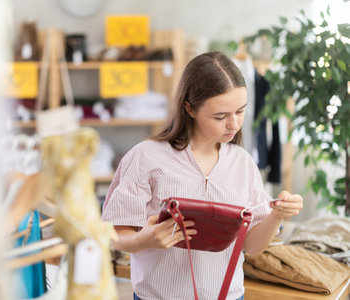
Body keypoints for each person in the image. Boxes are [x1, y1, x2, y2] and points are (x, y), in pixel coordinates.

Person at [101, 51, 303, 300]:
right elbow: (113, 235)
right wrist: (144, 240)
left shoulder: (243, 163)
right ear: (190, 108)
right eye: (220, 116)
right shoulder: (146, 157)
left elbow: (251, 247)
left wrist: (276, 215)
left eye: (240, 111)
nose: (234, 124)